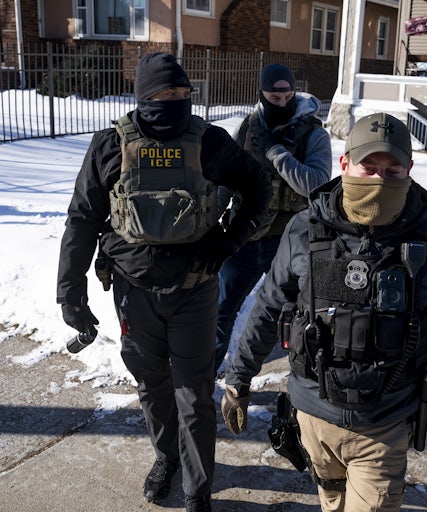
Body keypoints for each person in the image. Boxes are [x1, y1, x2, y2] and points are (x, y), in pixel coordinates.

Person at [220, 112, 427, 511]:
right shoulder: (304, 228)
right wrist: (238, 378)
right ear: (345, 164)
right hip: (312, 417)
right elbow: (268, 308)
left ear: (410, 170)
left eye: (393, 169)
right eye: (369, 167)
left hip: (384, 425)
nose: (380, 179)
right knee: (332, 502)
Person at [56, 52, 272, 512]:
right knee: (152, 383)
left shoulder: (209, 142)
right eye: (161, 94)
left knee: (194, 391)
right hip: (133, 292)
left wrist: (227, 241)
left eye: (180, 94)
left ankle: (197, 489)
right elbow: (82, 219)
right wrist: (69, 292)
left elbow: (258, 187)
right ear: (142, 97)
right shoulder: (109, 146)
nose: (172, 101)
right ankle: (166, 457)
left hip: (195, 289)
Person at [214, 63, 332, 375]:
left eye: (287, 97)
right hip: (247, 236)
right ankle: (204, 378)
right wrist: (211, 217)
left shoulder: (313, 134)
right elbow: (226, 179)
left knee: (300, 315)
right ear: (262, 95)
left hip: (291, 241)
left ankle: (304, 382)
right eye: (273, 98)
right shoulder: (248, 128)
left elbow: (317, 186)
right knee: (221, 309)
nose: (281, 104)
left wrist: (277, 153)